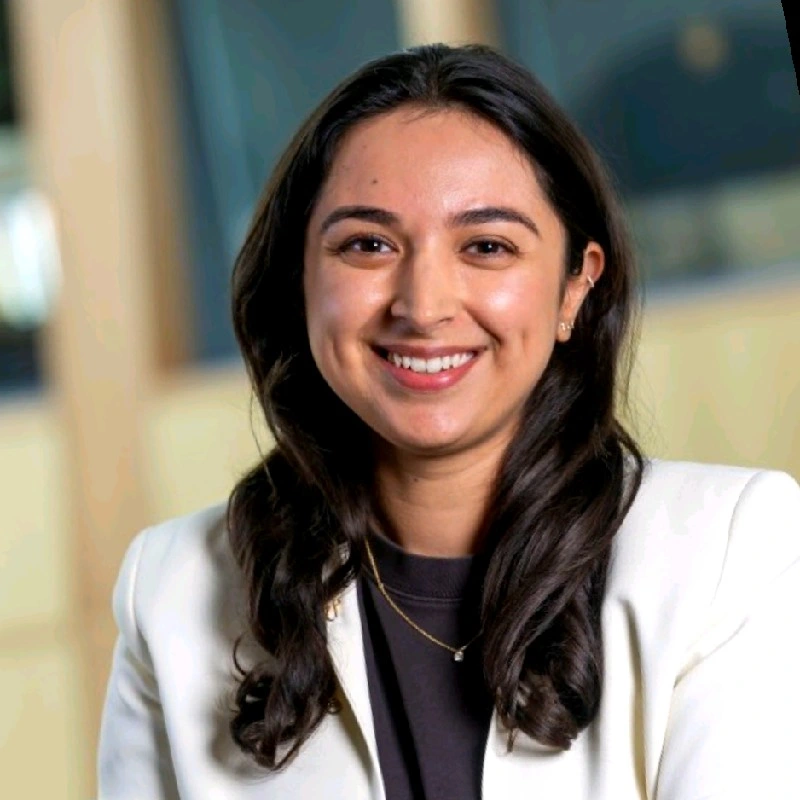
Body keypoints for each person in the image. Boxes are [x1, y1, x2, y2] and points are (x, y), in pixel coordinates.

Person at [97, 44, 800, 799]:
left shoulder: (730, 552)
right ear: (297, 279)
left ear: (575, 289)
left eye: (487, 246)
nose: (423, 304)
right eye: (367, 244)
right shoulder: (170, 589)